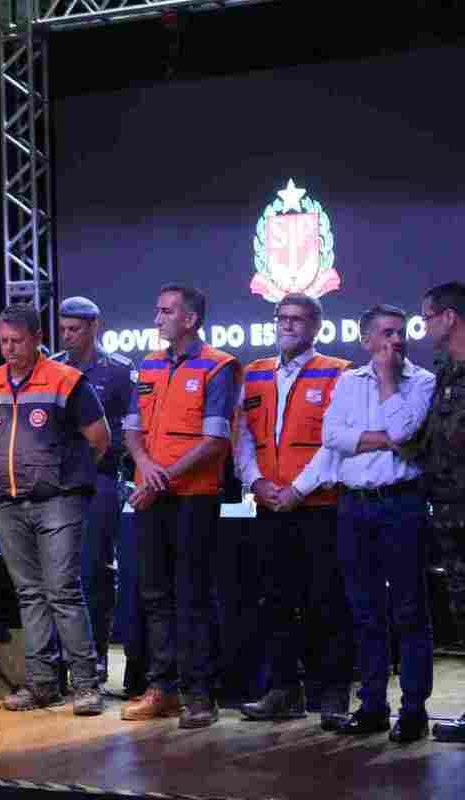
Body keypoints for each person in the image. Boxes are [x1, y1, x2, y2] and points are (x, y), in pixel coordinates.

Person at [0, 304, 111, 714]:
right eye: (3, 341)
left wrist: (67, 480)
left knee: (63, 592)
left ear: (37, 338)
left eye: (17, 341)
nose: (9, 349)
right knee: (30, 594)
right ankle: (41, 684)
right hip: (7, 503)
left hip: (59, 501)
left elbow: (99, 439)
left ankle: (86, 685)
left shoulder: (67, 381)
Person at [121, 285, 240, 729]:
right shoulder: (149, 364)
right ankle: (162, 689)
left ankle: (198, 695)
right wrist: (146, 466)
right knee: (155, 597)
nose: (158, 318)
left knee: (192, 598)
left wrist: (161, 478)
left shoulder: (219, 366)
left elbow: (215, 440)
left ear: (190, 320)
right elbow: (131, 429)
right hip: (151, 496)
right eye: (157, 310)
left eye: (166, 311)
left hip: (193, 499)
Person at [233, 294, 354, 730]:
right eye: (281, 318)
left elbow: (335, 443)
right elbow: (243, 437)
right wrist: (257, 482)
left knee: (325, 600)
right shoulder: (255, 372)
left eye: (297, 320)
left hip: (318, 505)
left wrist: (298, 490)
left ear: (316, 327)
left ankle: (333, 691)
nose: (287, 325)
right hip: (269, 505)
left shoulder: (339, 373)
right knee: (275, 601)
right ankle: (284, 690)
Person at [322, 304, 435, 742]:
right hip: (354, 506)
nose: (396, 341)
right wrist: (388, 438)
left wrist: (388, 383)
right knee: (364, 610)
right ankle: (371, 706)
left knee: (409, 611)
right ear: (366, 340)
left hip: (401, 504)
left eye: (401, 333)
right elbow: (333, 437)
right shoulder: (348, 382)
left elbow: (409, 436)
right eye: (386, 333)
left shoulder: (422, 381)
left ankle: (413, 711)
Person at [53, 297, 140, 694]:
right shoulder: (52, 369)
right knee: (57, 575)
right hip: (55, 483)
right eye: (64, 328)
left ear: (94, 327)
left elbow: (129, 430)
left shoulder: (118, 371)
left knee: (94, 573)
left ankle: (97, 657)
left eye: (75, 329)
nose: (67, 335)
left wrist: (93, 452)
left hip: (101, 479)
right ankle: (58, 663)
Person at [409, 282, 465, 743]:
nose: (423, 326)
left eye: (426, 318)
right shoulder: (444, 369)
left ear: (449, 318)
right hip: (450, 512)